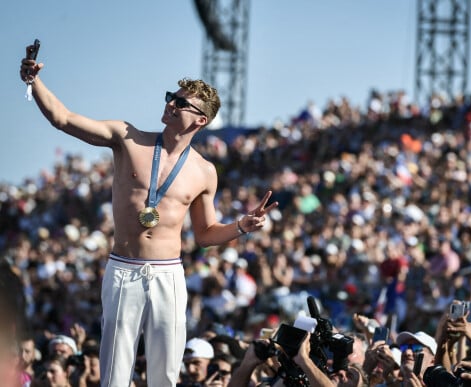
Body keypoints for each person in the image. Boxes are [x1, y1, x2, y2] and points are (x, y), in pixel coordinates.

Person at [20, 44, 278, 387]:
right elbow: (63, 119)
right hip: (123, 268)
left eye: (182, 103)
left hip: (168, 275)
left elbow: (204, 235)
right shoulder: (128, 139)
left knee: (166, 375)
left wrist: (241, 227)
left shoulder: (204, 171)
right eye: (172, 96)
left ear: (201, 119)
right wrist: (35, 83)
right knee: (114, 373)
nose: (171, 103)